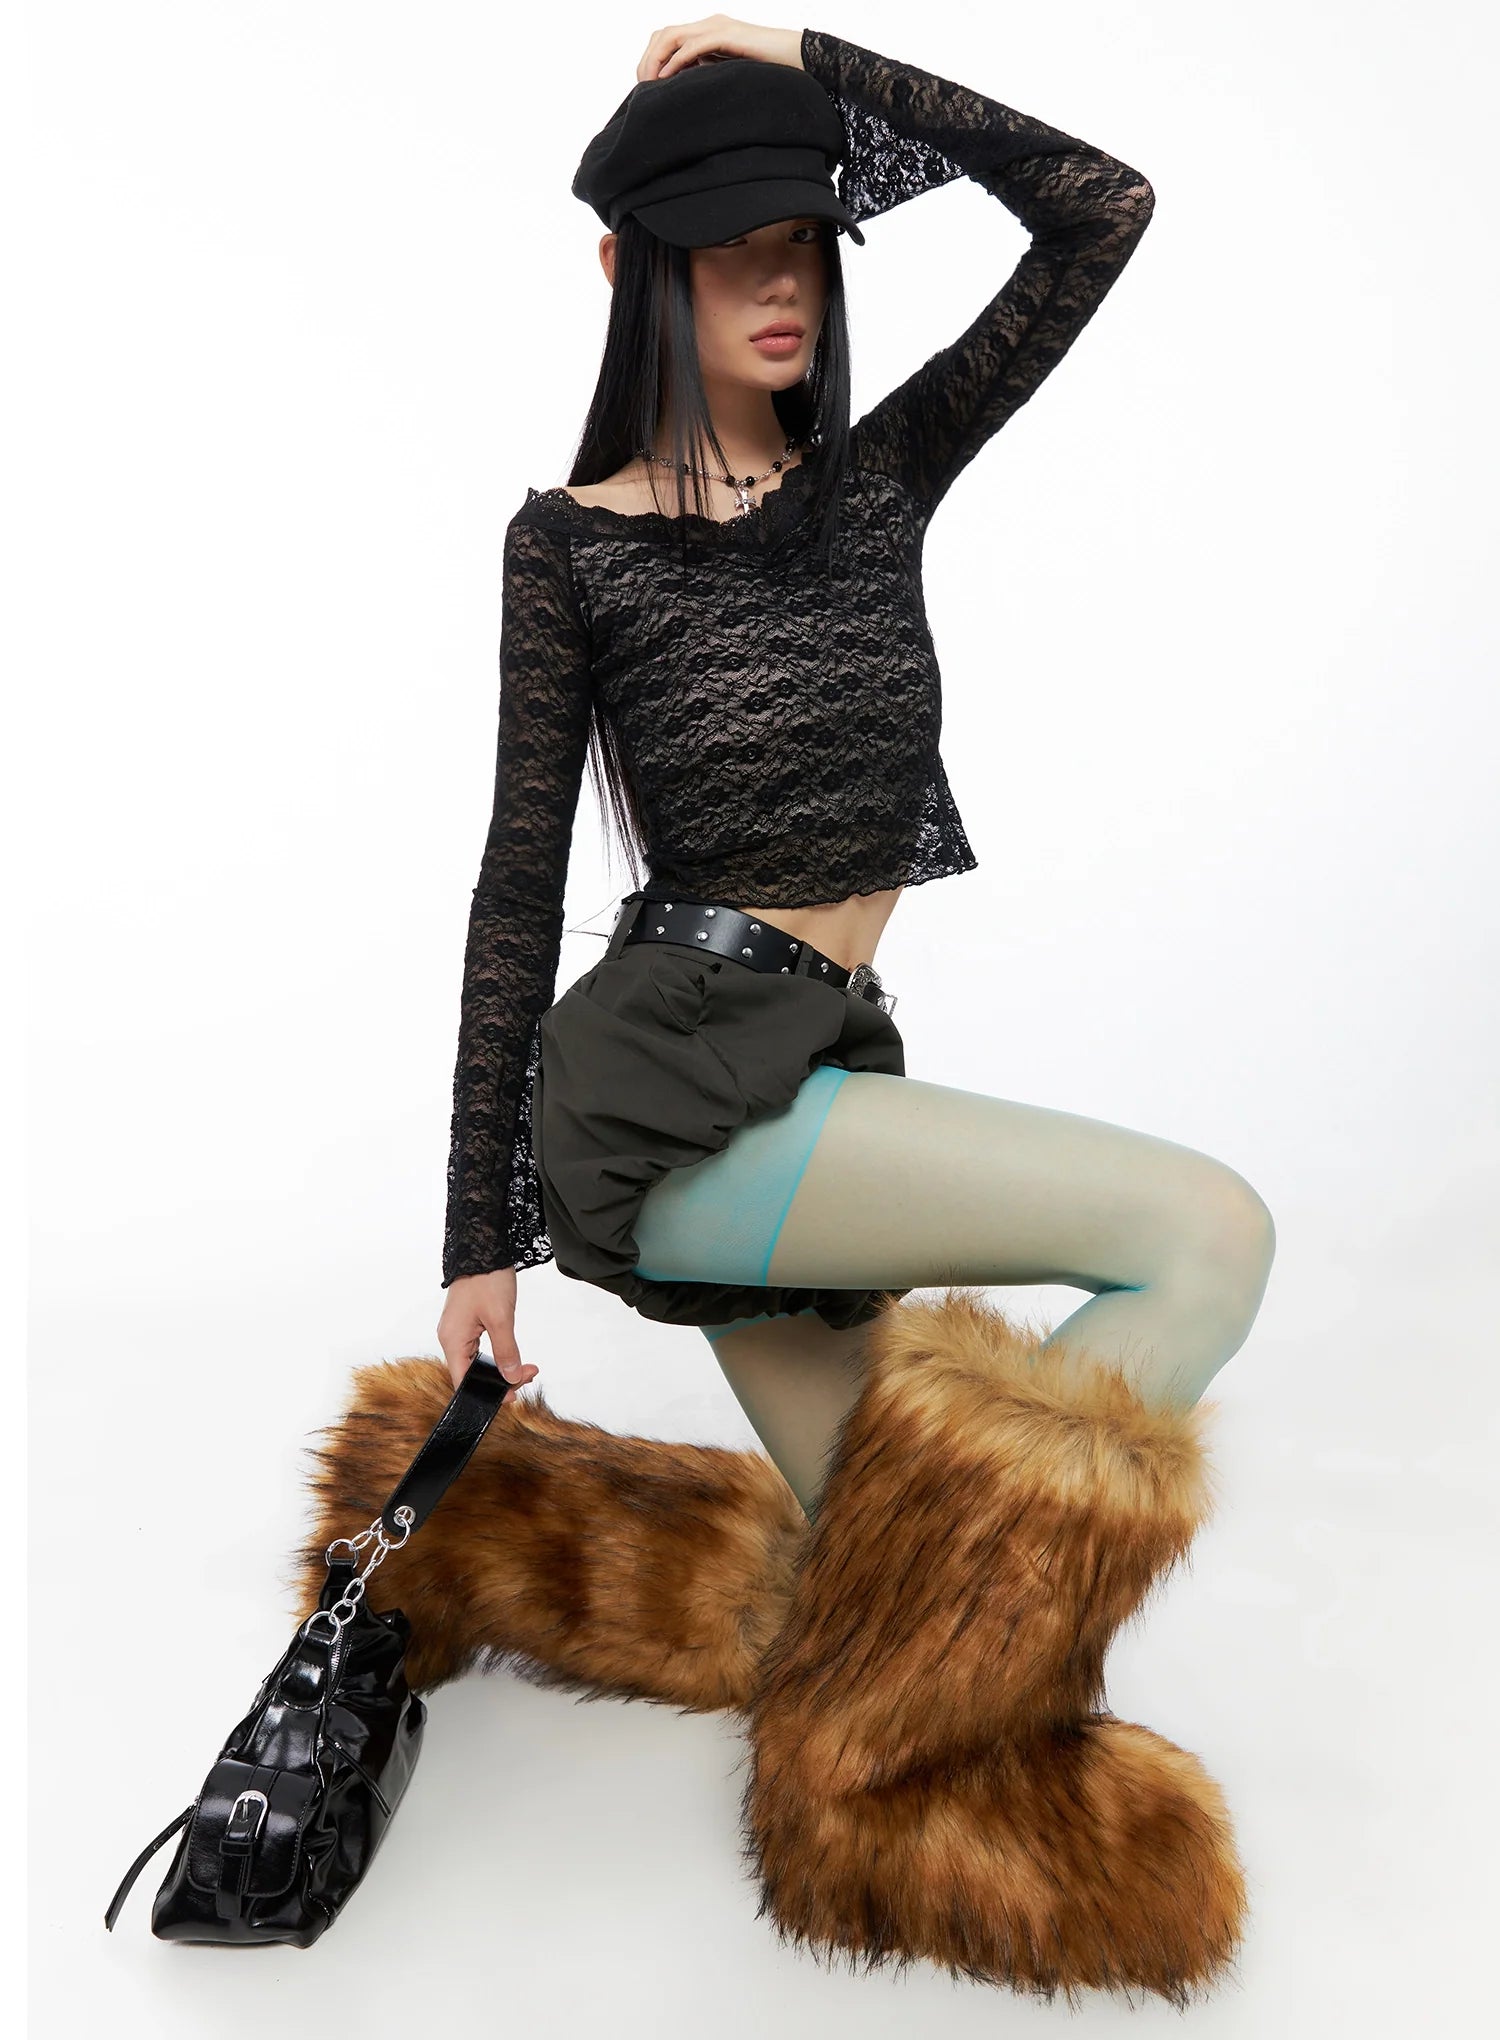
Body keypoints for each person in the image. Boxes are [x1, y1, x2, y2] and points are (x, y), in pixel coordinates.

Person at [318, 14, 1276, 1998]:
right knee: (1205, 1233)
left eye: (805, 241)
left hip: (806, 1063)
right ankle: (867, 1799)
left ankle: (796, 1728)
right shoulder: (569, 548)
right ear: (630, 269)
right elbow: (517, 885)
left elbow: (1099, 209)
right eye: (730, 247)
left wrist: (808, 51)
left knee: (899, 1567)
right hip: (668, 1099)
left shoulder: (877, 482)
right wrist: (478, 1236)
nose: (783, 286)